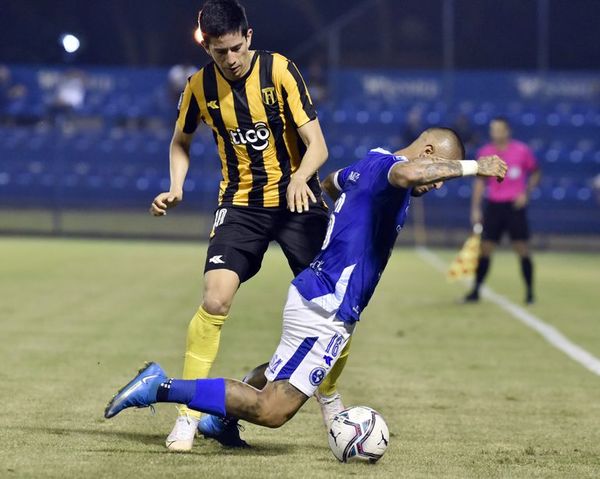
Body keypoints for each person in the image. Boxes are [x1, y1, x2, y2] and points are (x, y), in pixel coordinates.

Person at [105, 129, 508, 437]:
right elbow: (408, 172)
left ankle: (220, 421)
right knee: (273, 410)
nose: (437, 185)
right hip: (327, 304)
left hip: (319, 295)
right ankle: (161, 386)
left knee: (279, 370)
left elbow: (332, 182)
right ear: (428, 153)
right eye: (439, 173)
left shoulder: (369, 164)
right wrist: (475, 167)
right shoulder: (393, 170)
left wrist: (335, 217)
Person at [148, 0, 350, 451]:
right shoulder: (199, 86)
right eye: (220, 52)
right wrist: (176, 186)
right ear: (208, 48)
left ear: (249, 37)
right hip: (241, 205)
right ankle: (188, 417)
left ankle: (330, 398)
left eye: (236, 48)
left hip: (299, 200)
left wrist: (300, 176)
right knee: (215, 299)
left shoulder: (280, 71)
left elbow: (318, 145)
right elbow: (180, 140)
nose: (231, 59)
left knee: (333, 307)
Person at [465, 117, 541, 304]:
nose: (494, 133)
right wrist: (475, 208)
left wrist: (525, 193)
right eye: (492, 129)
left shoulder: (522, 151)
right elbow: (480, 183)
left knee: (522, 248)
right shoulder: (486, 152)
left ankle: (530, 293)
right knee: (485, 249)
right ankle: (475, 291)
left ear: (507, 131)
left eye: (498, 129)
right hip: (494, 206)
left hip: (515, 207)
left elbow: (536, 172)